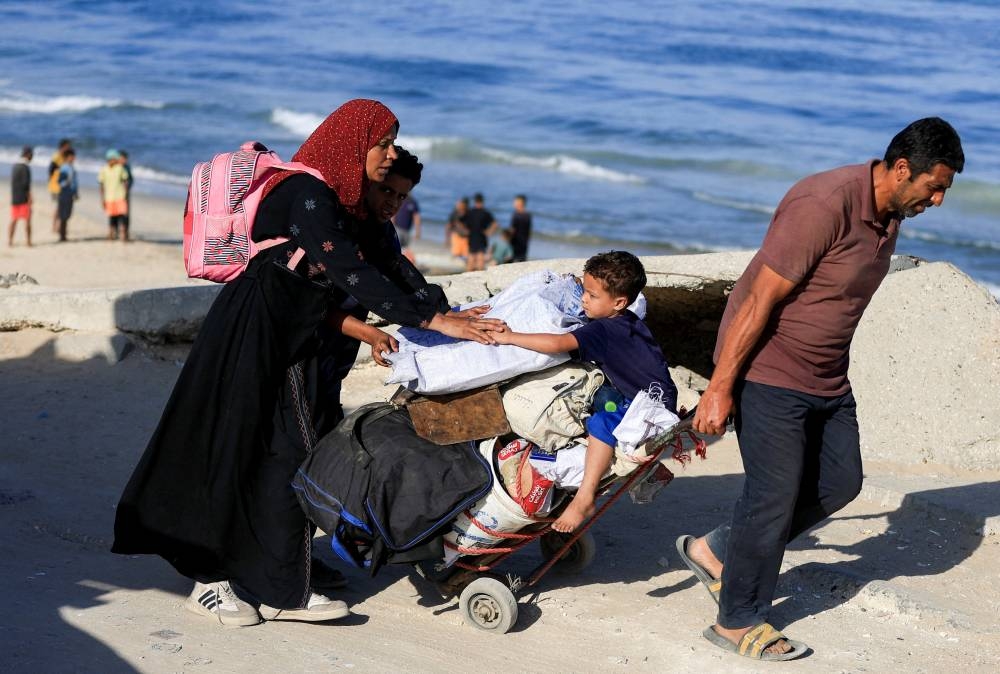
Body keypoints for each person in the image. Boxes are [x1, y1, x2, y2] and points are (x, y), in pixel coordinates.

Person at [112, 99, 505, 628]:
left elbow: (392, 264)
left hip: (296, 336)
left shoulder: (351, 208)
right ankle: (225, 580)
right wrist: (433, 323)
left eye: (392, 144)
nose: (389, 156)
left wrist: (444, 311)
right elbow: (351, 273)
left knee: (293, 447)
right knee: (250, 444)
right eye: (382, 143)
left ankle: (278, 567)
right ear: (352, 140)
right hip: (256, 330)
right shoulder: (309, 194)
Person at [678, 117, 964, 661]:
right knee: (773, 497)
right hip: (770, 369)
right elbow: (760, 296)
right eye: (935, 186)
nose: (939, 200)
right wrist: (720, 388)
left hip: (827, 375)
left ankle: (716, 551)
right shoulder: (824, 202)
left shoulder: (890, 213)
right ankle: (736, 621)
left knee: (839, 481)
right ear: (902, 169)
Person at [492, 251, 678, 532]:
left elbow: (558, 344)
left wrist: (509, 337)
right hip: (656, 397)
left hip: (648, 410)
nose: (583, 300)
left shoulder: (603, 330)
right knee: (599, 401)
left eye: (592, 296)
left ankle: (584, 497)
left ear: (619, 302)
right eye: (584, 291)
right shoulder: (626, 321)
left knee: (601, 421)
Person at [460, 192, 497, 271]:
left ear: (475, 201)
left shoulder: (470, 212)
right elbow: (495, 224)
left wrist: (465, 231)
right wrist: (489, 232)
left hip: (472, 237)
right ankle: (479, 278)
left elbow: (460, 222)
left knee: (471, 259)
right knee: (480, 259)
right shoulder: (485, 213)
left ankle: (468, 276)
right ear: (482, 201)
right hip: (481, 237)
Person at [98, 149, 130, 241]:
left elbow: (125, 181)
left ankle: (124, 235)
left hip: (120, 196)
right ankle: (111, 234)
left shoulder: (120, 168)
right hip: (109, 197)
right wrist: (102, 198)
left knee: (122, 217)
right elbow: (101, 185)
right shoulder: (104, 170)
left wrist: (126, 193)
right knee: (112, 217)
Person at [9, 145, 32, 247]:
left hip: (14, 197)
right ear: (28, 154)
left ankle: (10, 241)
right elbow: (26, 185)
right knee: (27, 220)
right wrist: (30, 197)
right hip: (23, 198)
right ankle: (28, 241)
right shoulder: (25, 168)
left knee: (14, 220)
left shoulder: (15, 166)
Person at [48, 138, 72, 234]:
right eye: (67, 146)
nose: (69, 148)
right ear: (63, 147)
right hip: (56, 185)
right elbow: (51, 169)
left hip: (61, 185)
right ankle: (55, 226)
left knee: (60, 206)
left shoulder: (64, 157)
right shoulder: (57, 156)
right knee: (59, 206)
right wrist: (52, 181)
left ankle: (57, 225)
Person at [56, 148, 78, 242]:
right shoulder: (64, 168)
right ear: (67, 157)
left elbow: (75, 182)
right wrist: (67, 182)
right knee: (63, 215)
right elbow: (60, 181)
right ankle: (62, 235)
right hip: (64, 193)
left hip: (70, 193)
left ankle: (63, 234)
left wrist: (76, 192)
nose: (73, 158)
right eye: (71, 156)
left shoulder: (72, 167)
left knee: (68, 214)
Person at [509, 194, 532, 262]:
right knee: (522, 259)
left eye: (515, 202)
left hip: (515, 242)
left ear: (521, 203)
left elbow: (512, 230)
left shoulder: (516, 215)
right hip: (524, 242)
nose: (514, 203)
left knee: (512, 260)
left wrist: (507, 239)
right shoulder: (528, 215)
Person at [120, 149, 133, 235]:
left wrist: (127, 188)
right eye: (121, 158)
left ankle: (126, 232)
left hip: (125, 193)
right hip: (116, 194)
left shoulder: (127, 168)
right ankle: (118, 231)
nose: (123, 160)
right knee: (117, 213)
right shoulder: (117, 167)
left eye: (124, 159)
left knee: (126, 214)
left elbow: (131, 180)